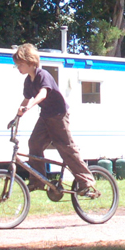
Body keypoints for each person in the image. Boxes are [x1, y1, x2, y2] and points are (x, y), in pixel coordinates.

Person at [12, 43, 99, 198]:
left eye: (20, 65)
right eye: (17, 65)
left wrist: (29, 107)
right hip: (46, 116)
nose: (18, 68)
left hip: (59, 115)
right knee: (34, 143)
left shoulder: (42, 75)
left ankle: (86, 182)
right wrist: (16, 116)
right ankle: (38, 180)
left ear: (31, 63)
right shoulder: (28, 81)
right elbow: (26, 99)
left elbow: (42, 94)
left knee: (66, 147)